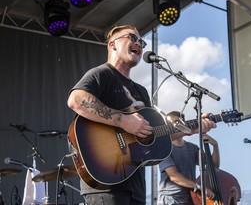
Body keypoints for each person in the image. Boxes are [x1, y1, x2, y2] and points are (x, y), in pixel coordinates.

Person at [67, 24, 217, 205]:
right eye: (132, 37)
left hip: (135, 186)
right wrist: (124, 121)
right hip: (108, 184)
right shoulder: (102, 74)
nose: (139, 43)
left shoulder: (141, 91)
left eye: (142, 41)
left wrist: (191, 129)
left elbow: (155, 134)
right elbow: (76, 100)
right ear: (112, 44)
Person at [157, 111, 220, 205]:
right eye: (175, 123)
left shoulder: (192, 148)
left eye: (181, 122)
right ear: (168, 127)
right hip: (170, 200)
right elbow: (174, 176)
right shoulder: (164, 149)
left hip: (190, 198)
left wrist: (215, 146)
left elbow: (214, 167)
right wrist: (199, 187)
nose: (178, 125)